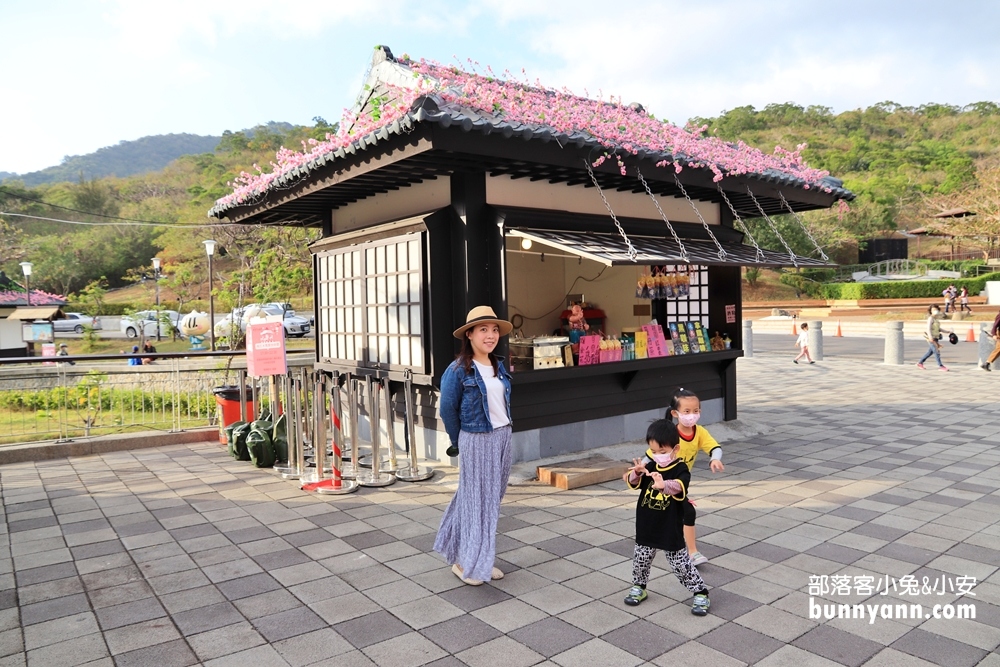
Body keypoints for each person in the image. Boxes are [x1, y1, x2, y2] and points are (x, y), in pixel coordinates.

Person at [434, 306, 514, 586]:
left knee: (489, 501)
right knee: (476, 502)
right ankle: (466, 562)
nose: (490, 336)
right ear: (469, 334)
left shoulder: (497, 365)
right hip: (476, 439)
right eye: (483, 330)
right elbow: (447, 410)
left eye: (494, 330)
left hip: (503, 437)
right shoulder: (457, 370)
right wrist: (461, 442)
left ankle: (477, 556)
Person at [622, 419, 710, 616]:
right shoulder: (650, 465)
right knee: (640, 560)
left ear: (675, 448)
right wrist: (636, 474)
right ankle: (639, 587)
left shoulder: (680, 469)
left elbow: (680, 486)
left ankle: (700, 593)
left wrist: (664, 486)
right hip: (647, 525)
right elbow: (631, 482)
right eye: (654, 451)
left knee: (680, 564)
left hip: (669, 527)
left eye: (662, 451)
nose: (658, 456)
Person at [667, 388, 724, 567]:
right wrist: (639, 470)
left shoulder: (699, 432)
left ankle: (691, 551)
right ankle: (691, 551)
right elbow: (651, 454)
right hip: (660, 482)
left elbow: (715, 447)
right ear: (675, 413)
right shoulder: (669, 433)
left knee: (682, 512)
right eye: (687, 411)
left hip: (680, 484)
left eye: (696, 410)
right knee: (680, 512)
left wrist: (715, 458)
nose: (692, 415)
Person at [917, 305, 951, 371]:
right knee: (936, 351)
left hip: (936, 337)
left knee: (930, 352)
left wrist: (947, 331)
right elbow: (928, 329)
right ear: (931, 311)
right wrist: (930, 337)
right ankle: (940, 366)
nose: (935, 311)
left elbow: (939, 328)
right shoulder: (930, 319)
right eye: (933, 310)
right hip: (931, 338)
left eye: (936, 310)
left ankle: (920, 363)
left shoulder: (936, 319)